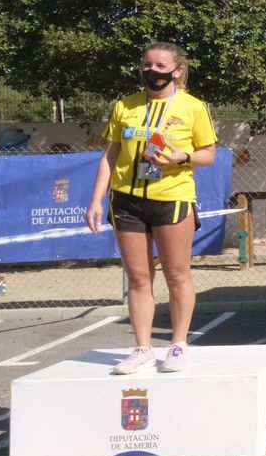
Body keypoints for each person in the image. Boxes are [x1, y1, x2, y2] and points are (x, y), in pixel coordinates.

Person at [85, 42, 217, 375]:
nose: (152, 71)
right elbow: (110, 155)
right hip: (127, 200)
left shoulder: (193, 107)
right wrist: (96, 199)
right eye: (147, 65)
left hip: (171, 198)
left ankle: (178, 345)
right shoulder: (124, 106)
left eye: (161, 66)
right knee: (139, 278)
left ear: (177, 70)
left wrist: (181, 157)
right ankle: (142, 347)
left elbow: (208, 154)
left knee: (177, 274)